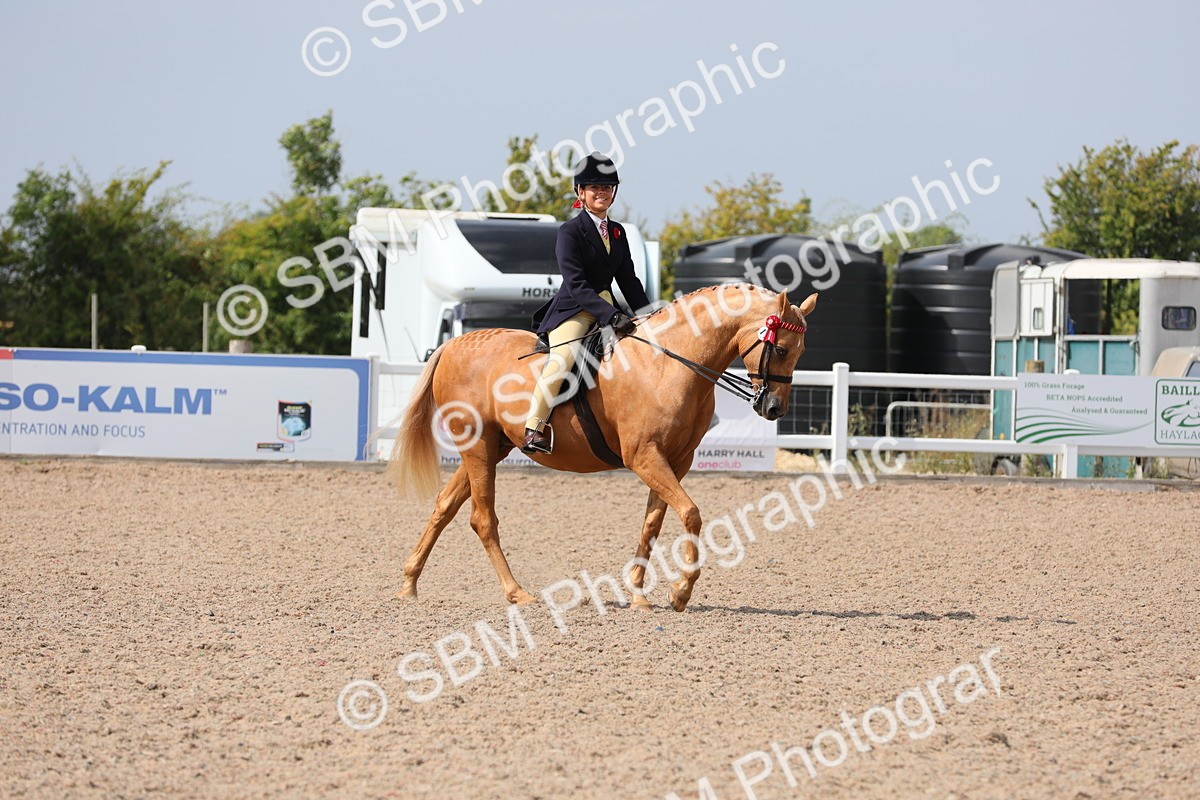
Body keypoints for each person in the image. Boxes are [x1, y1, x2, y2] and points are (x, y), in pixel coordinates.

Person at [521, 152, 652, 455]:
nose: (601, 193)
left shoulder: (618, 232)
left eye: (606, 188)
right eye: (594, 188)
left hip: (608, 307)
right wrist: (610, 314)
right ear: (581, 192)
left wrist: (650, 315)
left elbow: (629, 280)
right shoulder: (570, 231)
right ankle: (534, 427)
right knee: (562, 360)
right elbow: (577, 283)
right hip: (575, 309)